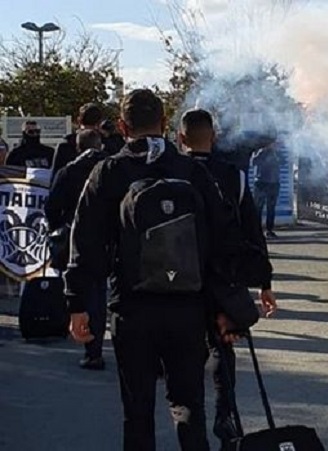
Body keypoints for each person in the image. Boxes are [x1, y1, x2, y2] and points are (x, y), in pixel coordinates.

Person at [65, 89, 243, 451]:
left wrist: (78, 302)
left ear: (121, 126)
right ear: (164, 123)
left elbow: (86, 238)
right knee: (189, 403)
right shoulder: (191, 170)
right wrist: (227, 305)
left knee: (138, 411)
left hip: (132, 306)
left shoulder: (110, 171)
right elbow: (224, 237)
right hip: (187, 306)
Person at [179, 108, 277, 445]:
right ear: (214, 138)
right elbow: (253, 232)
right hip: (223, 279)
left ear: (180, 138)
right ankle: (227, 418)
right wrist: (265, 283)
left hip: (180, 281)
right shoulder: (232, 176)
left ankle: (192, 427)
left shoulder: (174, 173)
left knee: (187, 355)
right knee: (223, 349)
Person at [44, 129, 110, 370]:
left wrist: (59, 227)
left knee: (83, 290)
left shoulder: (68, 171)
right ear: (100, 144)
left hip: (76, 237)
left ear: (77, 147)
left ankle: (90, 347)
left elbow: (51, 206)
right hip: (110, 238)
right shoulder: (111, 167)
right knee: (102, 294)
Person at [52, 103, 105, 175]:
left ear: (79, 121)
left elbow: (56, 178)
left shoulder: (64, 146)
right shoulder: (107, 146)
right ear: (99, 124)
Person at [250, 138, 282, 238]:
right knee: (258, 208)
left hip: (274, 183)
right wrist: (264, 150)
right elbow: (253, 162)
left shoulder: (277, 152)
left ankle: (269, 230)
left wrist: (275, 152)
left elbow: (283, 162)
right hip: (261, 182)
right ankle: (256, 230)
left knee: (271, 208)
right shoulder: (260, 151)